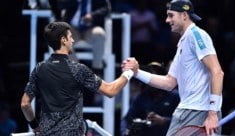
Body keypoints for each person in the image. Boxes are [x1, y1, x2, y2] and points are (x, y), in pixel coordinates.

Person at [122, 0, 224, 135]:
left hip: (199, 111)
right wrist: (136, 72)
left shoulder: (196, 35)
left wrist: (212, 113)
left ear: (184, 15)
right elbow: (169, 83)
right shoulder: (183, 42)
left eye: (171, 15)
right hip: (187, 111)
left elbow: (217, 72)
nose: (167, 20)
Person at [20, 21, 134, 136]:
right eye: (70, 37)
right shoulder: (78, 69)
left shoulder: (39, 69)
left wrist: (35, 126)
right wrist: (129, 72)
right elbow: (110, 91)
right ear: (63, 40)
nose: (73, 40)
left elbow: (25, 104)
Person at [120, 62, 179, 136]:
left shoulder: (175, 96)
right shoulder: (141, 97)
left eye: (155, 76)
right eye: (150, 77)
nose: (153, 82)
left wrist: (163, 120)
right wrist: (124, 132)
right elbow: (126, 119)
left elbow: (183, 120)